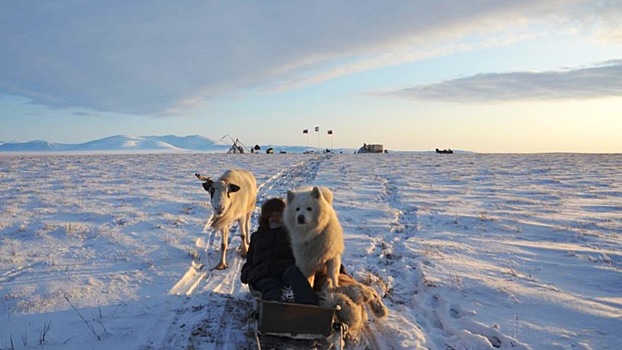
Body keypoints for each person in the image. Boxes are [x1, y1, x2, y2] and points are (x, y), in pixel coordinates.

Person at [240, 198, 318, 304]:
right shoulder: (257, 237)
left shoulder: (293, 234)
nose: (275, 219)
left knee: (297, 278)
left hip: (287, 268)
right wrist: (249, 274)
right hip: (265, 272)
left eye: (279, 215)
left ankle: (310, 308)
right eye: (271, 216)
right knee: (270, 288)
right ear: (266, 219)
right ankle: (274, 310)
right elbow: (250, 261)